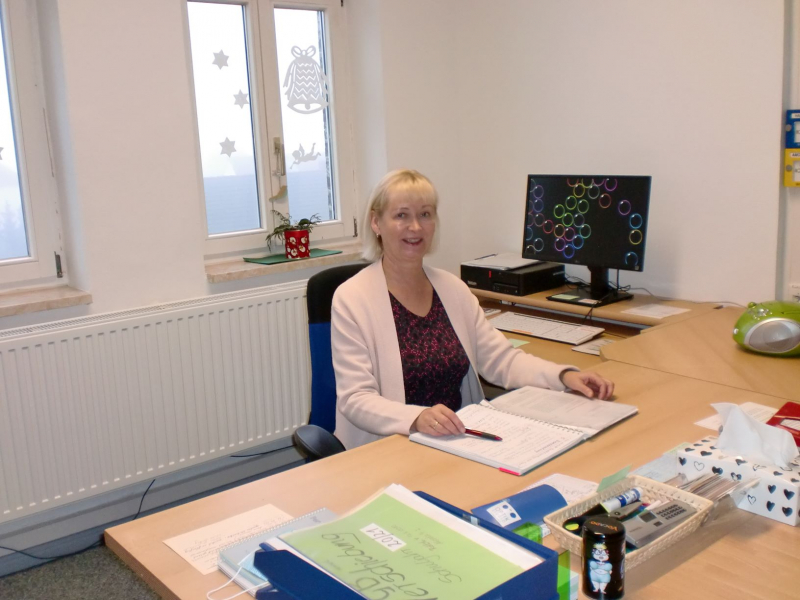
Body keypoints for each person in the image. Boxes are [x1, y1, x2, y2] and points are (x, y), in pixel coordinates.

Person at [331, 169, 614, 449]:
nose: (415, 227)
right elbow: (355, 399)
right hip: (388, 447)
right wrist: (416, 418)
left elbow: (501, 360)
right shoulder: (353, 299)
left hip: (457, 440)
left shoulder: (452, 289)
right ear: (376, 222)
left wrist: (563, 376)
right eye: (401, 215)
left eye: (425, 214)